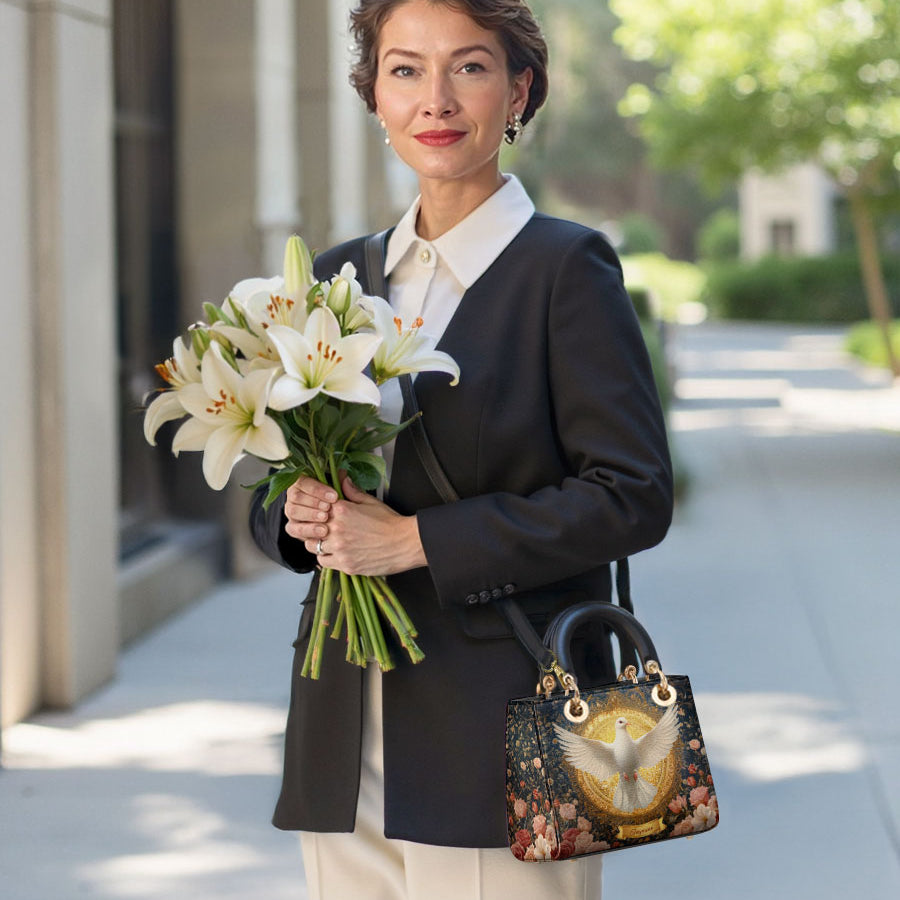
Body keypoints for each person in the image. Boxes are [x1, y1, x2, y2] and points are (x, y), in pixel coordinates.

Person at [249, 1, 673, 897]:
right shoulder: (337, 277)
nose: (435, 98)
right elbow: (277, 477)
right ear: (374, 97)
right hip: (341, 727)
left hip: (501, 729)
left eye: (468, 67)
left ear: (519, 90)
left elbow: (632, 494)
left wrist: (416, 543)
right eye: (405, 69)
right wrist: (298, 516)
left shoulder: (566, 269)